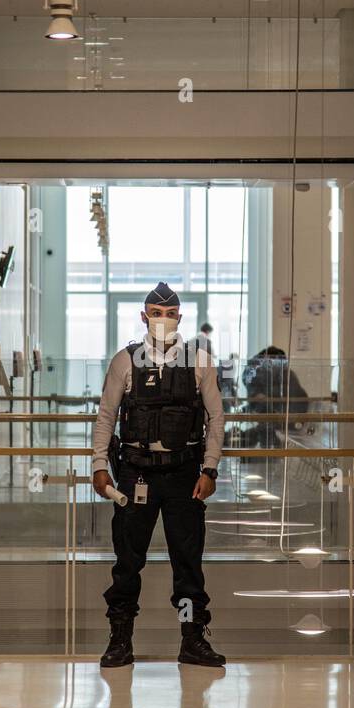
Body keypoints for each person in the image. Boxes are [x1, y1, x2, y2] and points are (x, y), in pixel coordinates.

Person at [91, 282, 227, 668]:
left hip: (185, 474)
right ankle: (120, 640)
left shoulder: (199, 361)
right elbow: (106, 417)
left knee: (187, 564)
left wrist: (211, 468)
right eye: (155, 313)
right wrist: (100, 466)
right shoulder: (125, 361)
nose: (162, 320)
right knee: (127, 563)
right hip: (136, 473)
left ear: (180, 317)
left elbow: (216, 419)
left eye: (169, 314)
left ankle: (191, 639)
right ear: (143, 316)